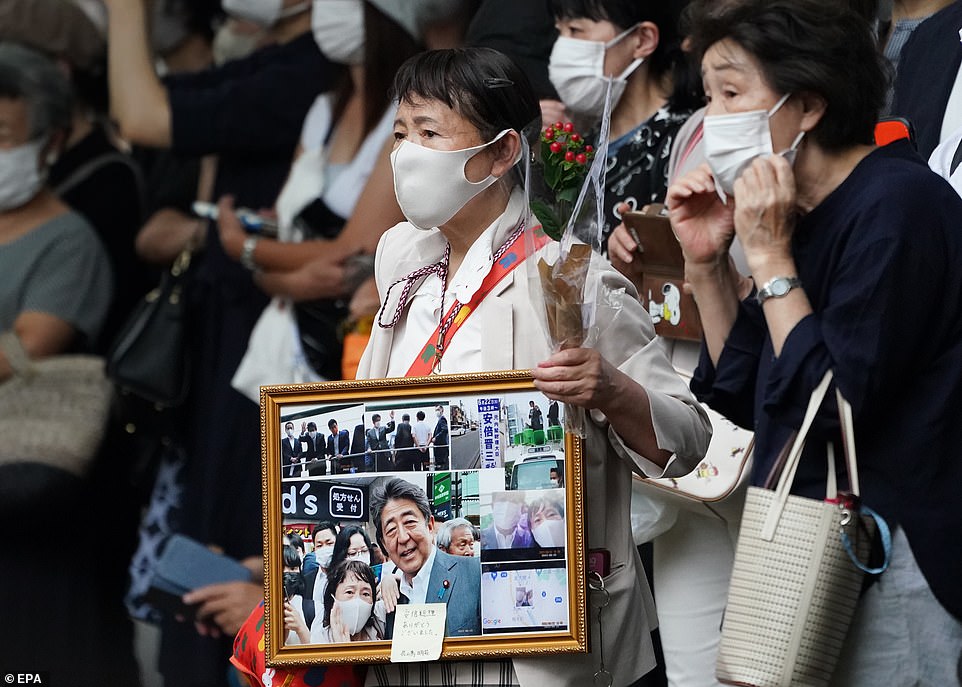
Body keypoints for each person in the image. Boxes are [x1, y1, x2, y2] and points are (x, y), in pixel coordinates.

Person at [357, 47, 710, 687]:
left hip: (541, 643)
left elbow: (688, 441)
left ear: (500, 153)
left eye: (431, 132)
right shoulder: (401, 264)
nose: (406, 154)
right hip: (420, 646)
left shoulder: (573, 280)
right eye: (402, 133)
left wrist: (613, 390)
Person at [672, 2, 962, 684]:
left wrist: (769, 258)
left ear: (806, 105)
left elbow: (832, 402)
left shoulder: (899, 205)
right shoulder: (806, 213)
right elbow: (750, 394)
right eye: (709, 98)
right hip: (814, 554)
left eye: (733, 95)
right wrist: (709, 264)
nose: (713, 121)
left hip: (895, 556)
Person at [0, 41, 138, 686]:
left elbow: (25, 349)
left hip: (34, 505)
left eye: (3, 131)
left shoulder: (68, 240)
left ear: (51, 141)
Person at [548, 0, 701, 255]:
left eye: (575, 30)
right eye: (559, 31)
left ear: (642, 40)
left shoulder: (683, 141)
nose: (563, 46)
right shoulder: (580, 144)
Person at [370, 478, 482, 640]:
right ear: (384, 545)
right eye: (392, 530)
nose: (402, 537)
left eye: (409, 522)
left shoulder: (475, 573)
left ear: (429, 526)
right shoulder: (391, 601)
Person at [312, 559, 384, 643]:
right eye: (349, 592)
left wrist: (390, 579)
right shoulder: (320, 638)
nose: (357, 601)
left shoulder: (379, 622)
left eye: (365, 594)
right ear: (333, 597)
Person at [302, 520, 339, 598]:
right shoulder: (306, 580)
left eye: (329, 544)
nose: (324, 548)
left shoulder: (347, 576)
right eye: (319, 545)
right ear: (314, 548)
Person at [431, 405, 450, 470]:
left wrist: (435, 438)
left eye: (438, 410)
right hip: (441, 449)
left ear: (442, 410)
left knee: (442, 467)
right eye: (436, 410)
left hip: (441, 449)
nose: (437, 411)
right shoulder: (440, 420)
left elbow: (444, 430)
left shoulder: (442, 419)